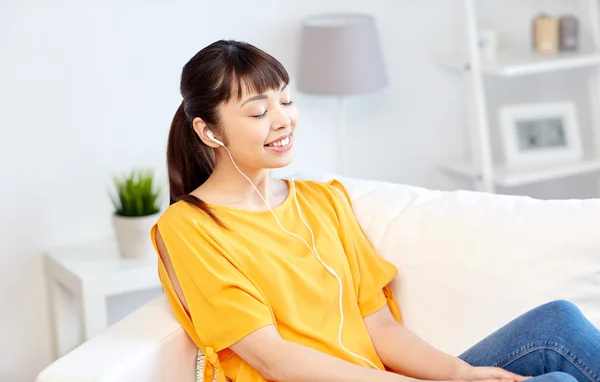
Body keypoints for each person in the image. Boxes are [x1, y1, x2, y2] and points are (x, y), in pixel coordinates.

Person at [150, 40, 600, 382]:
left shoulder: (322, 201)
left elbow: (380, 328)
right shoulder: (189, 227)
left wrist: (460, 374)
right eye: (257, 113)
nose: (283, 120)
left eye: (286, 101)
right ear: (209, 132)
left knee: (557, 323)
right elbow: (273, 357)